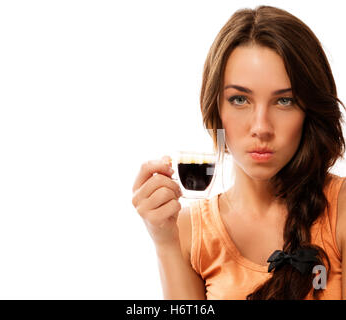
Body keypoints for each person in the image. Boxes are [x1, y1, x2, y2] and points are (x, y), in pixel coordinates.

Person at [131, 5, 346, 300]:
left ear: (310, 110)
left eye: (284, 101)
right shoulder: (187, 231)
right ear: (215, 108)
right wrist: (164, 242)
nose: (261, 127)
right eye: (240, 99)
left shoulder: (340, 211)